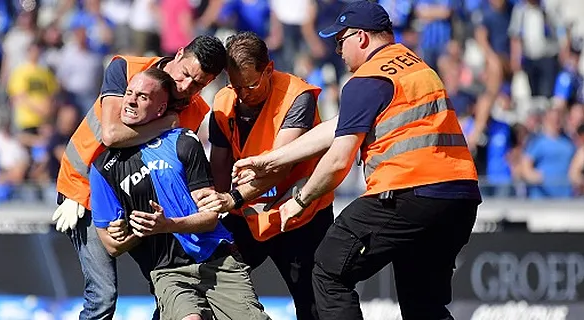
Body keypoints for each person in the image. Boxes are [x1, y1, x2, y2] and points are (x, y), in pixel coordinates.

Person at [232, 2, 482, 319]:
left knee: (327, 269)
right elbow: (339, 126)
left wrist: (299, 200)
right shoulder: (417, 67)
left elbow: (338, 160)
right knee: (423, 303)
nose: (338, 50)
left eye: (340, 40)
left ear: (361, 37)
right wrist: (269, 160)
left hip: (406, 191)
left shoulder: (367, 79)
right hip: (459, 198)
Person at [53, 35, 227, 319]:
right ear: (179, 52)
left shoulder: (196, 110)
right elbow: (111, 135)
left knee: (171, 282)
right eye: (185, 75)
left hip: (142, 203)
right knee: (102, 297)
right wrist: (165, 124)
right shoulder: (126, 68)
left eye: (198, 84)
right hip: (83, 192)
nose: (186, 87)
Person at [90, 68, 271, 320]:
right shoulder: (101, 168)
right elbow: (111, 246)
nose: (130, 100)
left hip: (217, 261)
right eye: (129, 93)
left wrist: (166, 225)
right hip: (167, 272)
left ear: (161, 108)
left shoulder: (182, 140)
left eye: (142, 97)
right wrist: (138, 230)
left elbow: (209, 218)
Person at [198, 31, 333, 320]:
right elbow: (219, 164)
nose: (243, 95)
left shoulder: (297, 97)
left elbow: (278, 166)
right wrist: (214, 212)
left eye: (250, 85)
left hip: (299, 215)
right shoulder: (224, 101)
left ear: (268, 70)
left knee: (312, 302)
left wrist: (231, 198)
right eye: (235, 86)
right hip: (247, 215)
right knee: (206, 280)